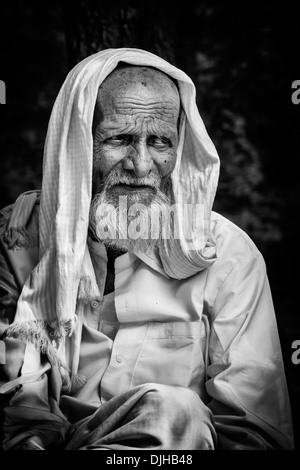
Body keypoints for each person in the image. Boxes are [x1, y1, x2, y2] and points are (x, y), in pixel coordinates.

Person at [0, 48, 294, 450]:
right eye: (119, 139)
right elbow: (15, 412)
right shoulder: (17, 240)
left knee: (175, 414)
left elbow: (254, 431)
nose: (141, 165)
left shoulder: (226, 254)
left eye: (160, 142)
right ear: (78, 146)